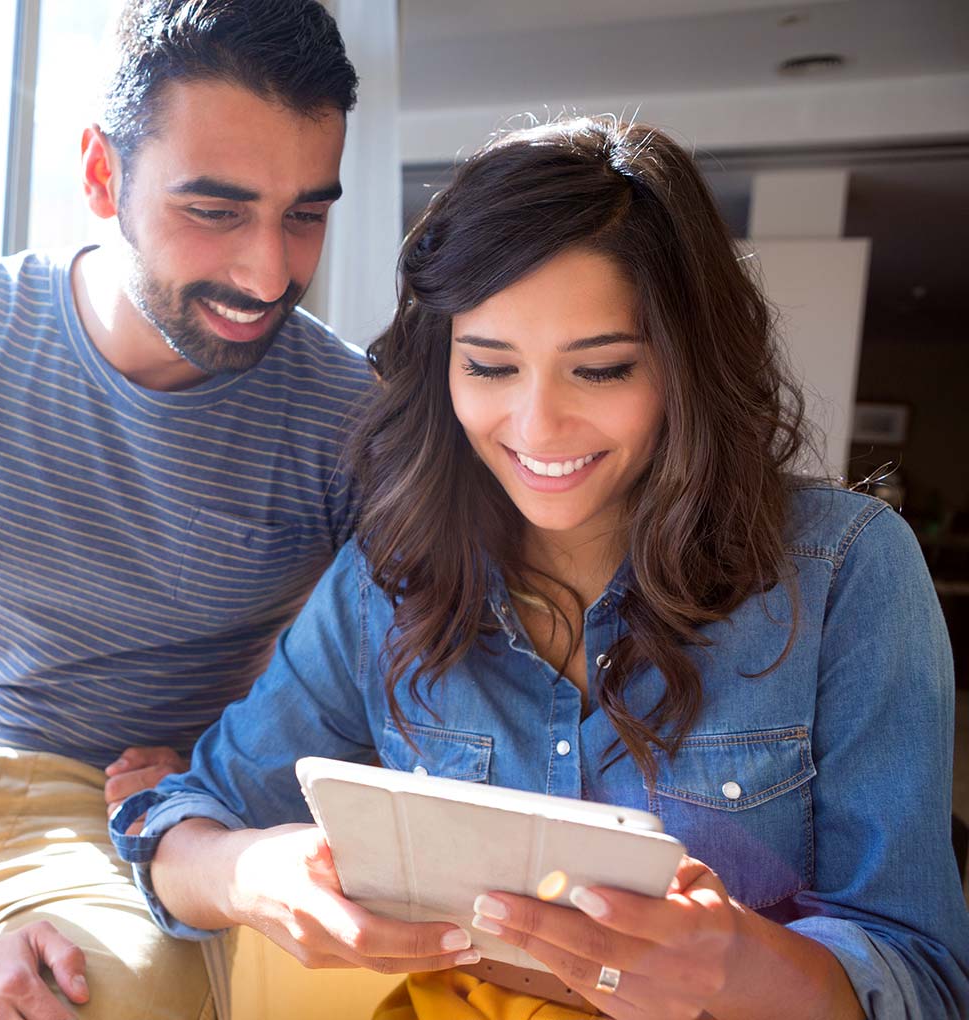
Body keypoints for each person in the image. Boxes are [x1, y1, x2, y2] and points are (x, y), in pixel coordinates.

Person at [111, 116, 969, 1020]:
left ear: (688, 367)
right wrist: (249, 878)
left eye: (599, 371)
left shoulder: (845, 570)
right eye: (489, 366)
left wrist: (734, 965)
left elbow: (925, 978)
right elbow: (184, 817)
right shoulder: (394, 574)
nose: (536, 428)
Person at [0, 2, 369, 1018]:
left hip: (148, 821)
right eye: (215, 210)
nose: (270, 273)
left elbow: (391, 670)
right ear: (101, 174)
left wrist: (232, 775)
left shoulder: (349, 416)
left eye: (304, 214)